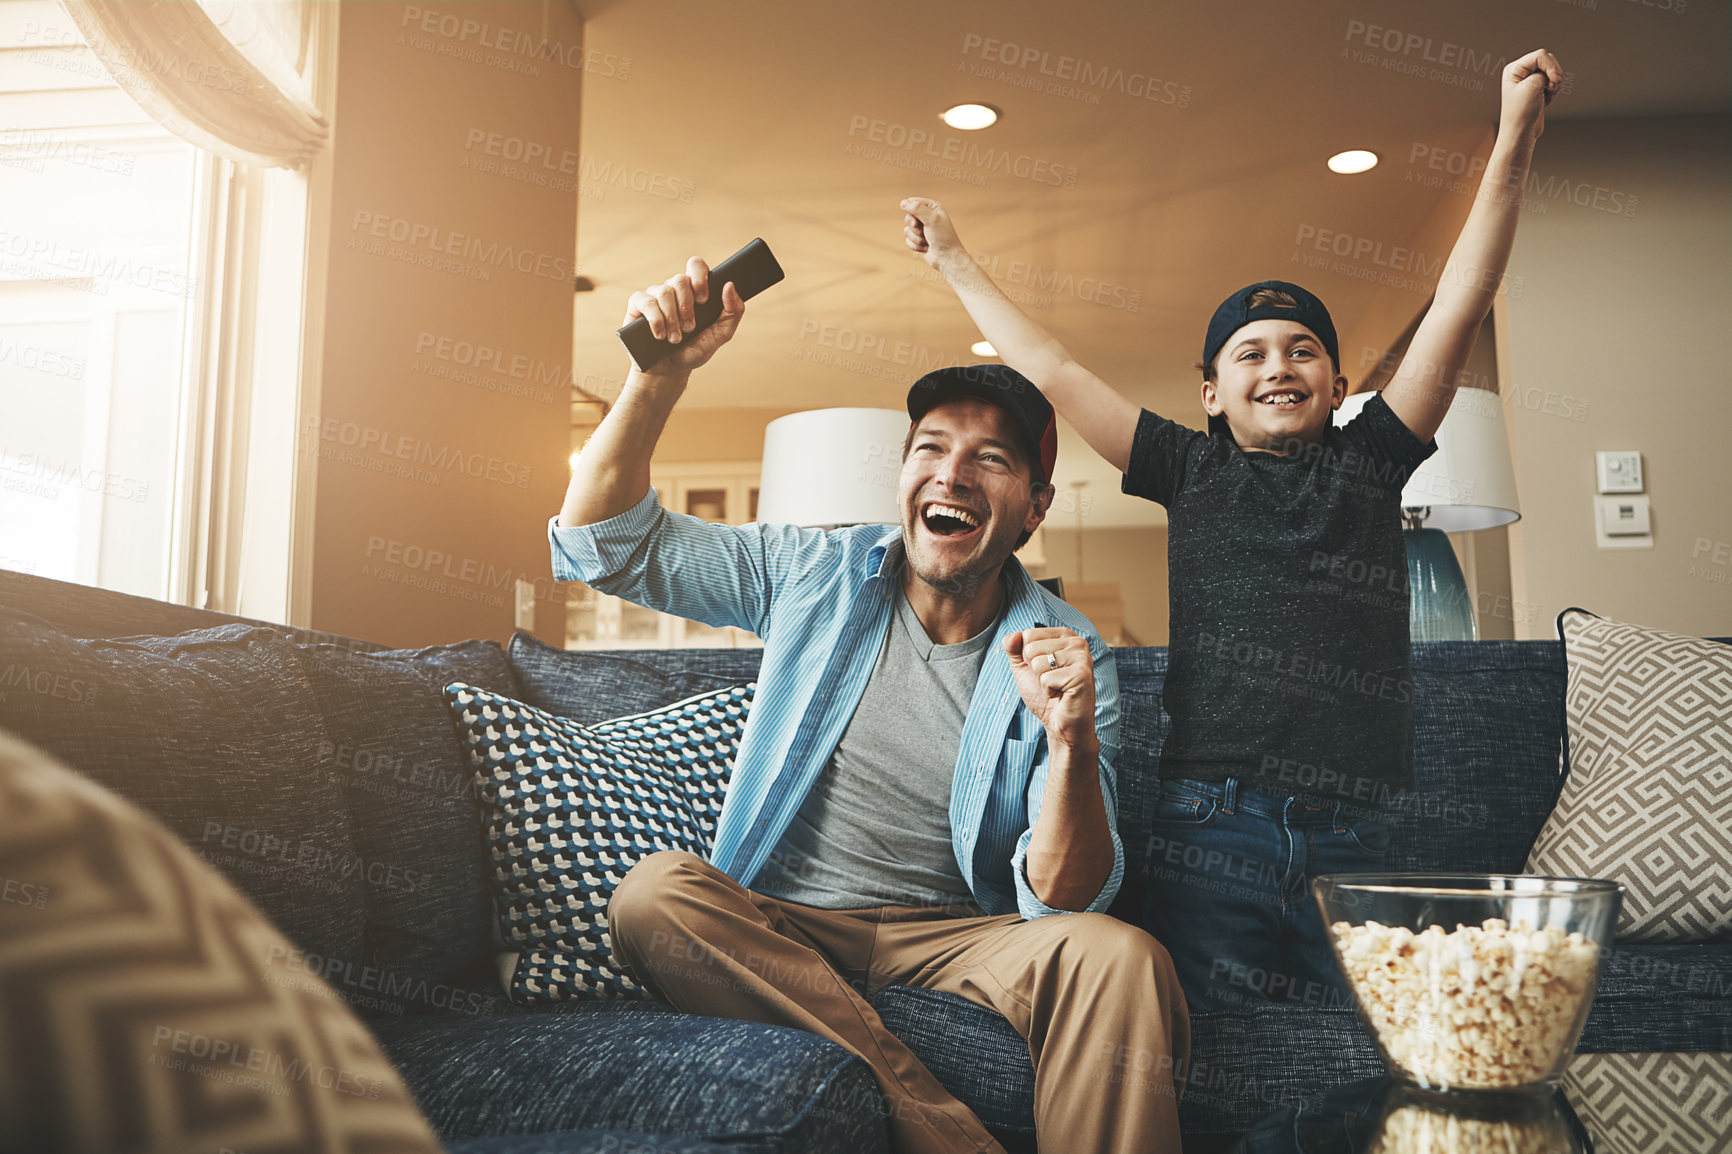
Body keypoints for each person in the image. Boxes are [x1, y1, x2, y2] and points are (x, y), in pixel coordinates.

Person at [901, 48, 1564, 1015]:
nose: (1279, 363)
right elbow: (1050, 367)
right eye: (1248, 353)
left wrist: (1512, 141)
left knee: (1366, 1058)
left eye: (1305, 350)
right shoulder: (1188, 469)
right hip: (1211, 828)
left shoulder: (1374, 460)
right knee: (1216, 1061)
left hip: (1359, 834)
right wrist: (957, 261)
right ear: (1212, 394)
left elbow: (1462, 297)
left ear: (1339, 387)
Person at [549, 263, 1189, 1154]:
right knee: (654, 895)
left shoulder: (1066, 650)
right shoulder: (814, 572)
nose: (953, 472)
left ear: (1035, 508)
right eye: (931, 447)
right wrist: (657, 378)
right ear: (905, 476)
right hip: (786, 924)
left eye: (991, 458)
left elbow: (1067, 899)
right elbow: (603, 546)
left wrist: (1073, 743)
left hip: (961, 938)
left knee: (1123, 959)